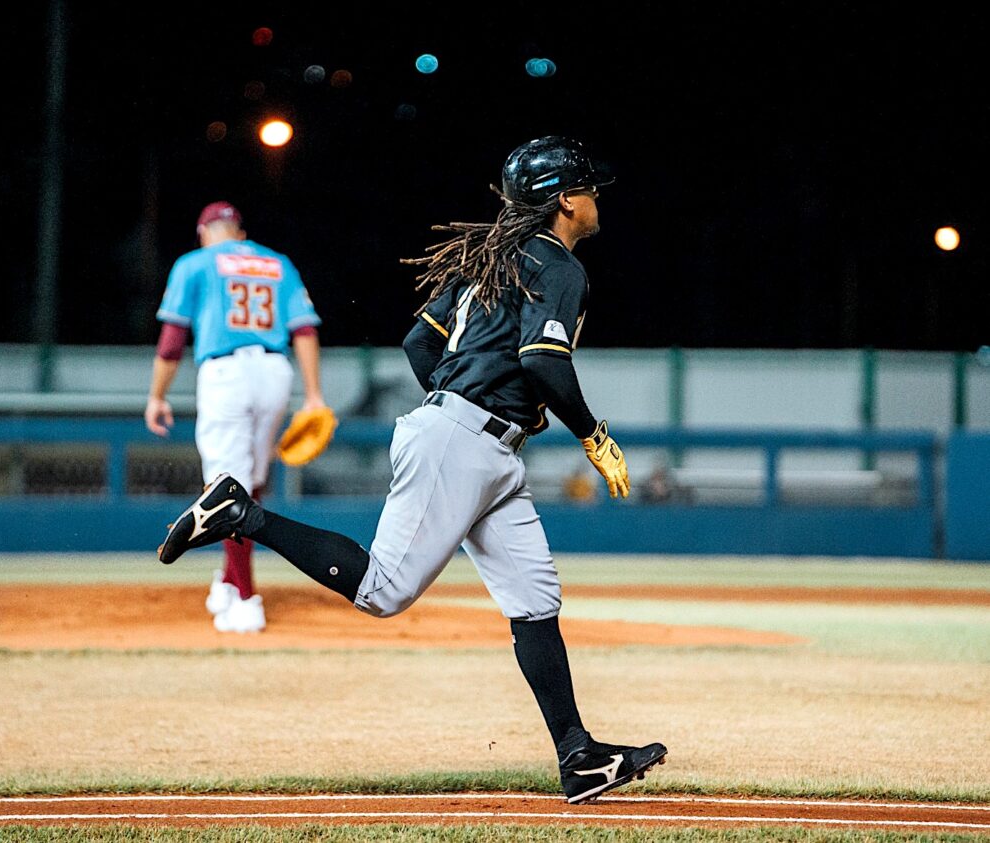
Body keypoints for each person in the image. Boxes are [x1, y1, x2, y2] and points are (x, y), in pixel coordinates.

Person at [155, 138, 667, 802]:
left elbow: (419, 340)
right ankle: (240, 513)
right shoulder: (560, 266)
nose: (596, 198)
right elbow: (544, 362)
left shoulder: (491, 260)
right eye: (588, 188)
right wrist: (590, 434)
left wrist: (457, 399)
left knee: (536, 601)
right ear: (565, 200)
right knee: (382, 590)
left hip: (482, 445)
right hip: (464, 441)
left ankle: (579, 756)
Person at [145, 200, 326, 633]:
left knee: (225, 489)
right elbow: (303, 329)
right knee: (252, 484)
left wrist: (157, 396)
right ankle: (229, 581)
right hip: (274, 372)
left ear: (205, 232)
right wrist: (315, 394)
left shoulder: (195, 262)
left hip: (226, 372)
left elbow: (172, 341)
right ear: (240, 233)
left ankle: (246, 599)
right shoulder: (277, 262)